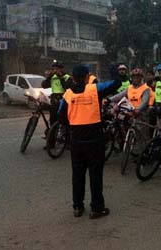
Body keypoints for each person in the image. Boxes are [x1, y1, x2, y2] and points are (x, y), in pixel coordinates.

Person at [58, 64, 121, 218]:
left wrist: (73, 124)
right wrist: (115, 68)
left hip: (76, 140)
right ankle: (97, 208)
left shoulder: (67, 95)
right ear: (87, 77)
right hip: (94, 140)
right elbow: (116, 83)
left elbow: (61, 116)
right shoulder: (94, 89)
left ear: (72, 78)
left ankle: (77, 207)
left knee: (77, 175)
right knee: (95, 175)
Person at [42, 61, 72, 126]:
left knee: (63, 118)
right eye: (53, 69)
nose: (55, 71)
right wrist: (49, 77)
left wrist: (61, 78)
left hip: (63, 99)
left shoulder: (67, 77)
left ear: (61, 69)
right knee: (53, 118)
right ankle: (52, 133)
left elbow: (67, 87)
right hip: (54, 99)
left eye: (57, 69)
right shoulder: (52, 77)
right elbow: (44, 86)